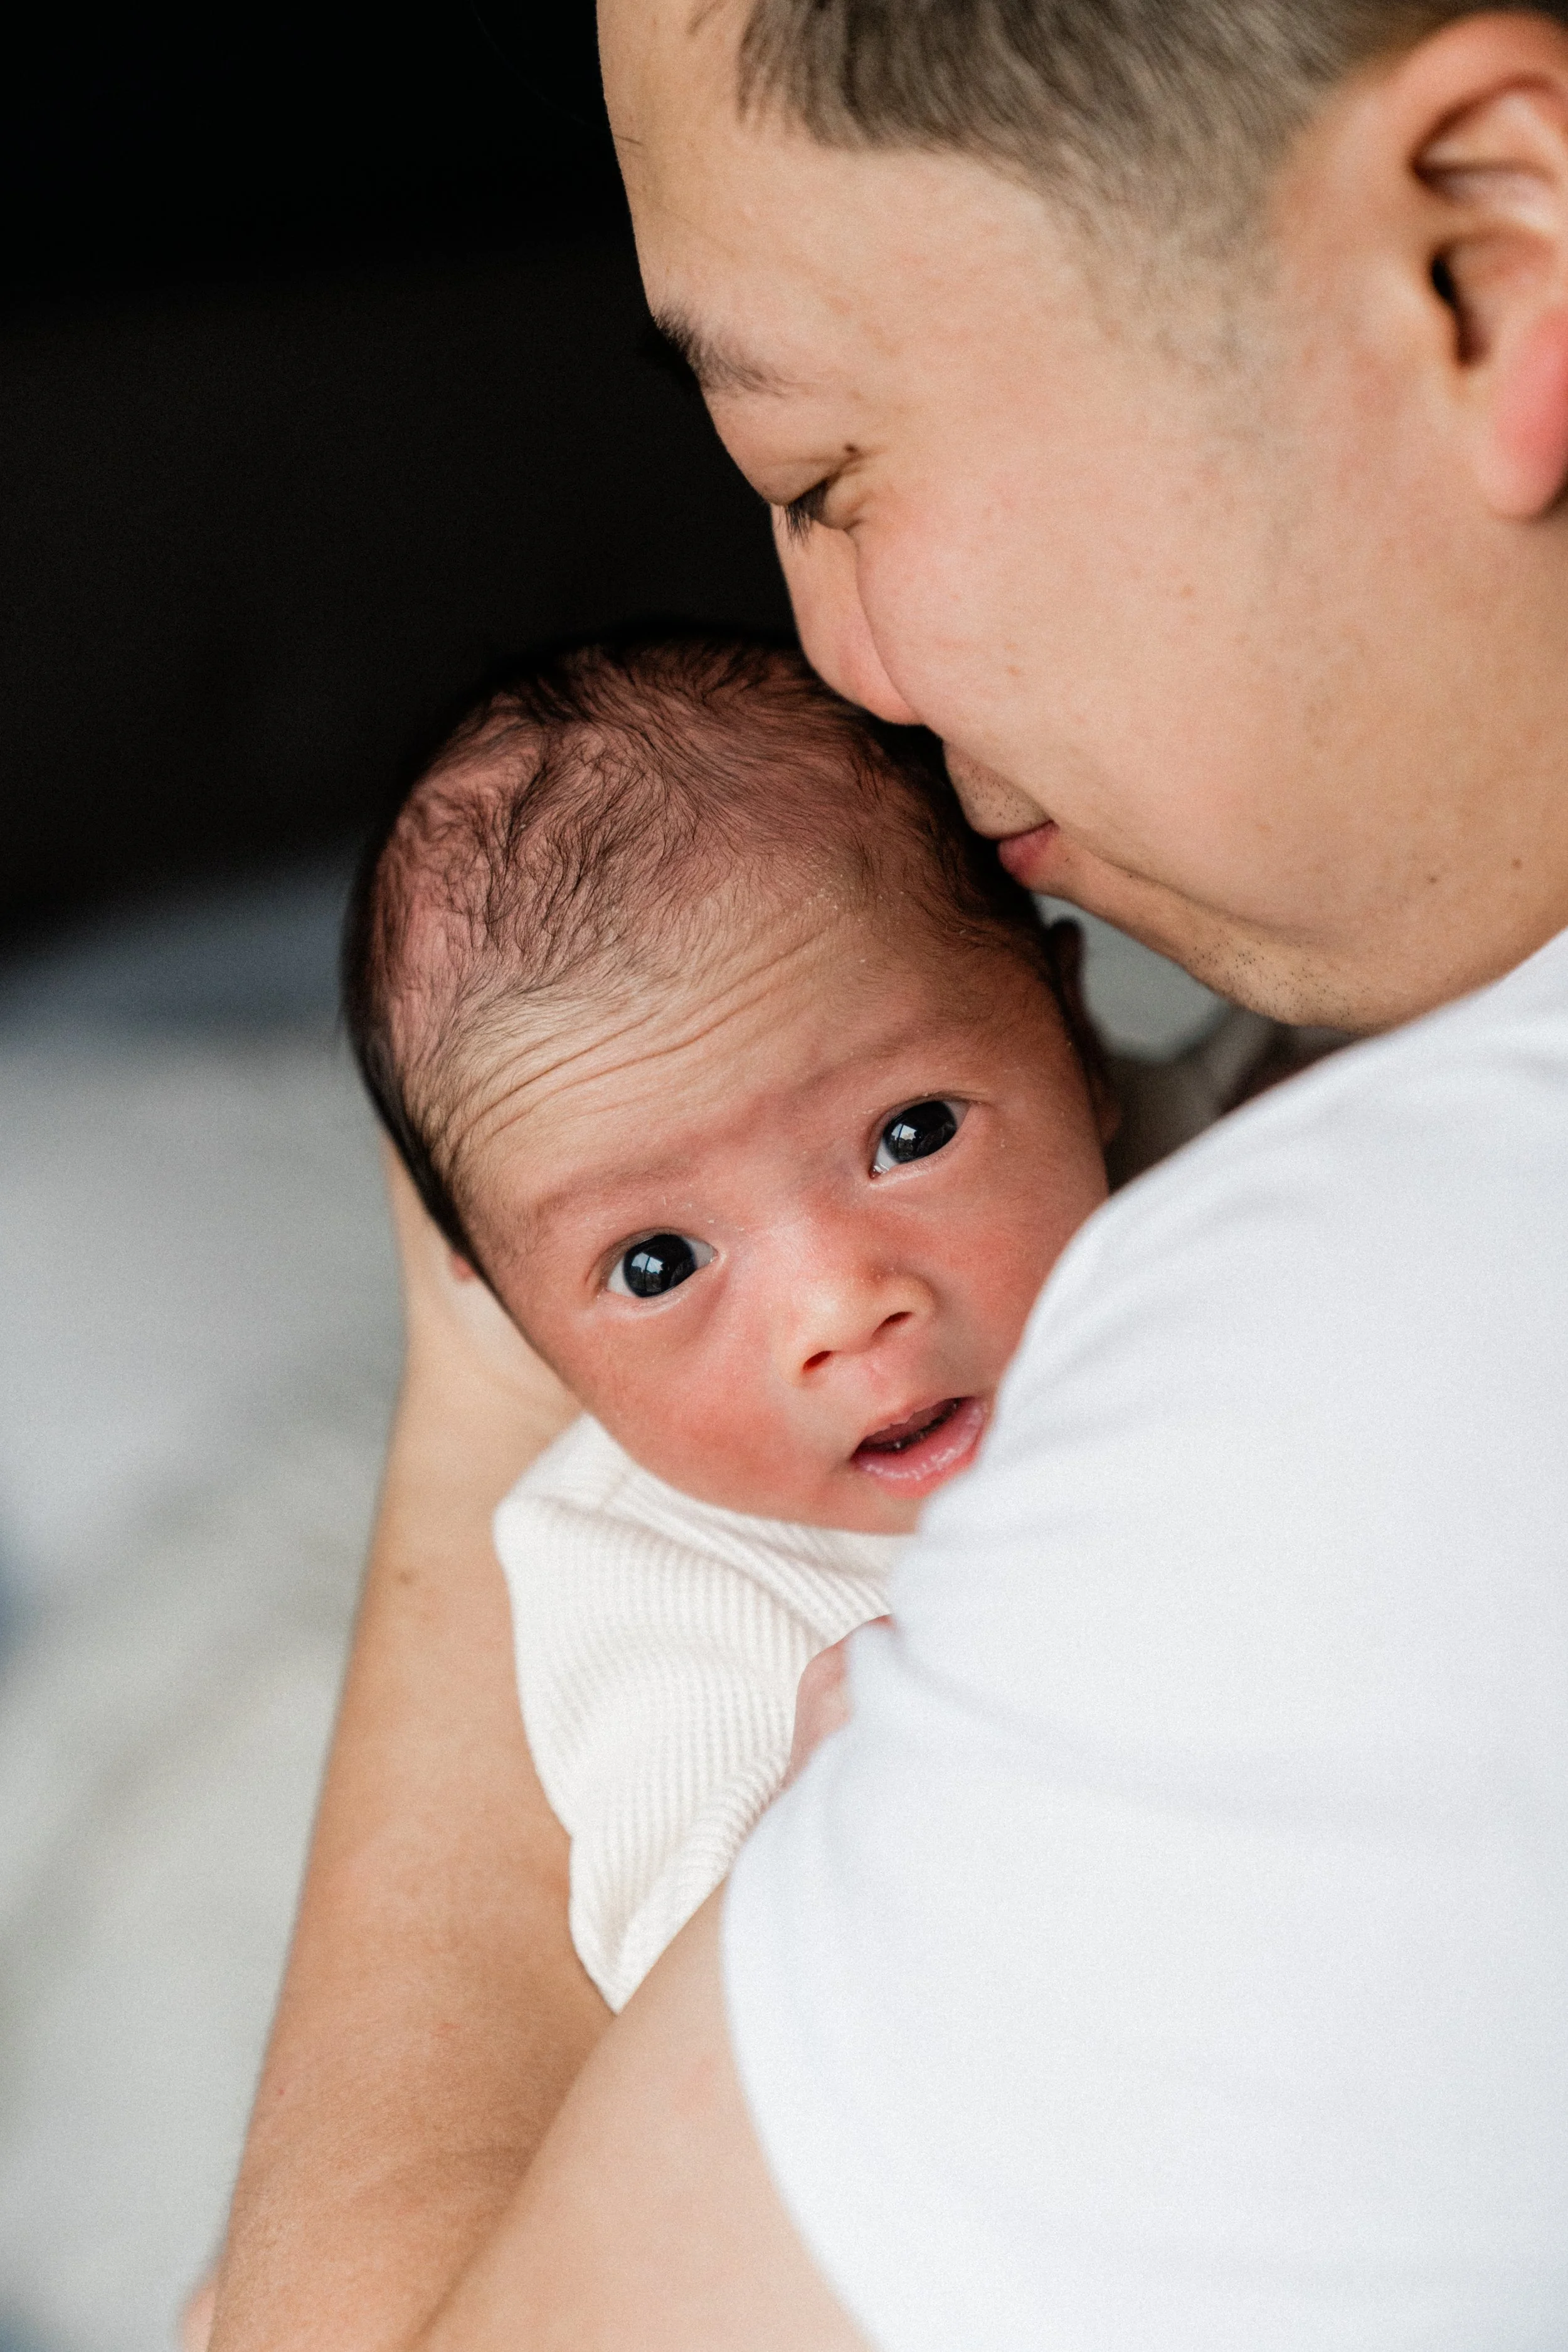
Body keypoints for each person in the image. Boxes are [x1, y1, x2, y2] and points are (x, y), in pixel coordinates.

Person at [208, 4, 1568, 2348]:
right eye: (649, 1257)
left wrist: (484, 1352)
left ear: (1484, 250)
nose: (850, 657)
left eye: (822, 471)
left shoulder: (1376, 1349)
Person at [341, 630, 1120, 2013]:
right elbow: (694, 2003)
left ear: (1074, 1033)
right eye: (654, 1264)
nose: (839, 1307)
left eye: (912, 1132)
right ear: (507, 1312)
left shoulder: (1222, 1174)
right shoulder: (654, 1584)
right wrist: (820, 1832)